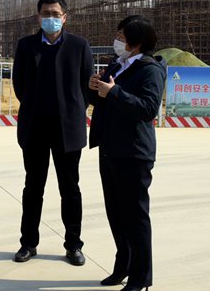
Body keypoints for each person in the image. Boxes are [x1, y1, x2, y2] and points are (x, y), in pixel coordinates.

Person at [11, 0, 93, 266]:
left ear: (65, 17)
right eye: (46, 13)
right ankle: (28, 243)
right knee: (33, 188)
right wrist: (36, 105)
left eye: (55, 13)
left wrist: (71, 109)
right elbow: (19, 83)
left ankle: (74, 245)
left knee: (70, 189)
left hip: (67, 130)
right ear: (38, 17)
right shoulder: (26, 46)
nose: (50, 18)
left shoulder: (79, 46)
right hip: (35, 128)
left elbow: (86, 85)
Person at [88, 16, 166, 291]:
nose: (117, 41)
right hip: (110, 148)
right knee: (116, 213)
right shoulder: (116, 64)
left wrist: (114, 92)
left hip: (134, 153)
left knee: (135, 216)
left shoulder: (150, 69)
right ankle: (123, 265)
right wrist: (94, 89)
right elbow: (104, 101)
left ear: (138, 42)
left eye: (122, 37)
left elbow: (147, 108)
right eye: (118, 35)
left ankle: (141, 276)